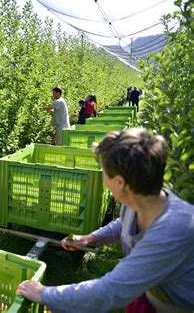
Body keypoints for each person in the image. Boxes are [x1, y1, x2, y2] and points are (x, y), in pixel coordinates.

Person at [16, 128, 194, 313]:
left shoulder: (172, 232)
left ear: (119, 182)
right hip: (150, 294)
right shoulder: (141, 198)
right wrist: (92, 237)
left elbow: (109, 291)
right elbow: (124, 223)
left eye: (104, 171)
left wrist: (44, 294)